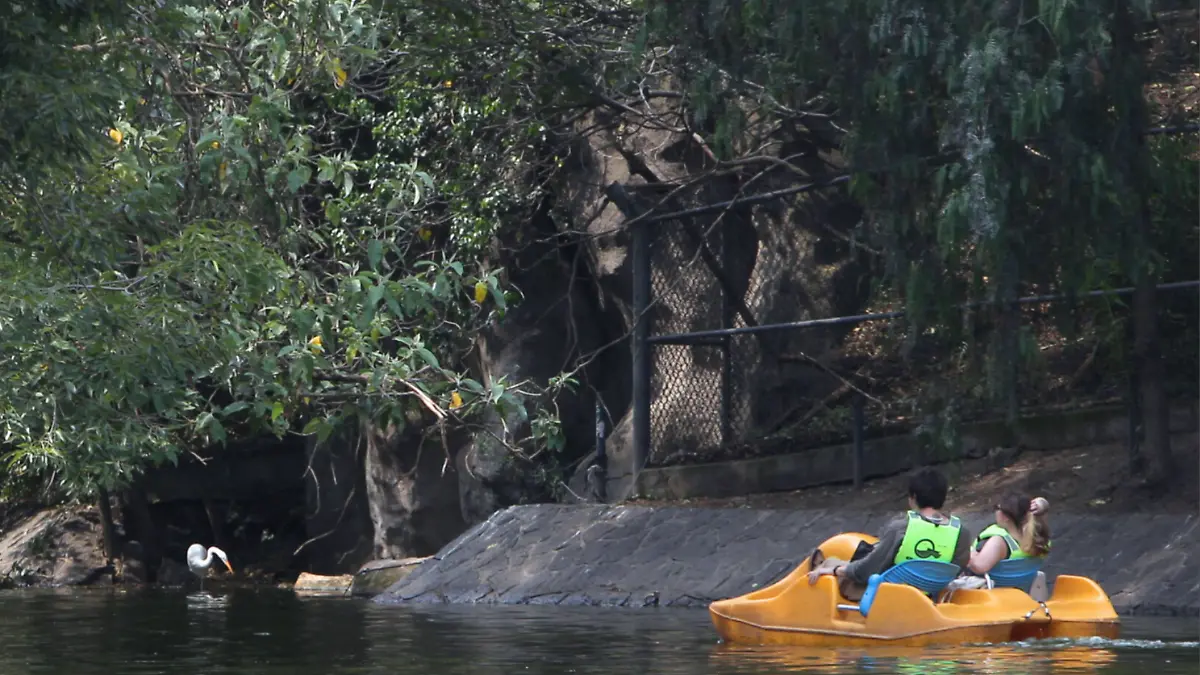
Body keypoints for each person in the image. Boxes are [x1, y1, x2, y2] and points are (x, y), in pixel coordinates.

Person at [808, 467, 972, 599]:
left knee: (830, 564)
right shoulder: (961, 533)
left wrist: (835, 570)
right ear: (943, 497)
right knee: (842, 562)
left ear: (913, 497)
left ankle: (820, 569)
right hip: (929, 594)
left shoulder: (900, 528)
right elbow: (955, 569)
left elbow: (867, 570)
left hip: (887, 594)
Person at [966, 494, 1052, 576]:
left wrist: (970, 551)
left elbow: (978, 566)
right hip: (1023, 587)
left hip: (995, 589)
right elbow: (1042, 504)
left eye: (997, 508)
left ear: (1005, 516)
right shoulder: (1039, 539)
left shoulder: (999, 542)